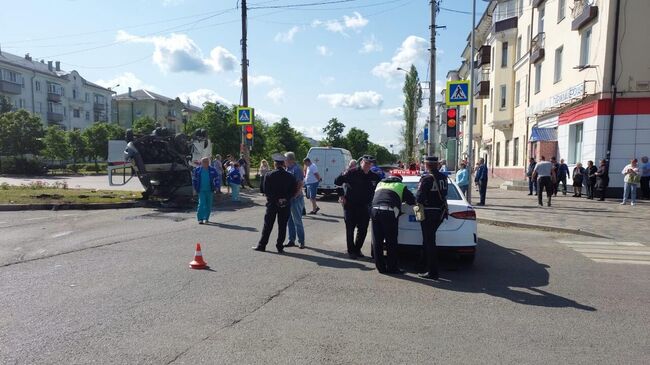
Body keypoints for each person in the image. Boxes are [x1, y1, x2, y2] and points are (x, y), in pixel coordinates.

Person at [334, 156, 381, 259]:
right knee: (350, 229)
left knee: (363, 230)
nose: (367, 165)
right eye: (366, 163)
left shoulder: (374, 176)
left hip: (365, 207)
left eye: (370, 163)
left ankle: (357, 249)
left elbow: (380, 189)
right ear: (361, 162)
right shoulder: (351, 172)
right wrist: (341, 195)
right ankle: (351, 251)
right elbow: (337, 182)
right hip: (350, 206)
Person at [371, 174, 416, 274]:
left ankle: (380, 268)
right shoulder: (400, 186)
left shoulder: (380, 184)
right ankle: (392, 268)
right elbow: (412, 200)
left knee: (377, 241)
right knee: (391, 241)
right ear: (399, 180)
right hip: (388, 212)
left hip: (374, 210)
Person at [253, 154, 296, 253]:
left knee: (267, 225)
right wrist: (284, 199)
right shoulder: (290, 176)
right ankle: (280, 247)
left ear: (275, 164)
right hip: (285, 204)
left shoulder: (269, 175)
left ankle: (262, 245)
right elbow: (293, 191)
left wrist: (276, 199)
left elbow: (265, 191)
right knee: (282, 226)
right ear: (283, 164)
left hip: (272, 204)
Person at [416, 156, 448, 280]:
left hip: (428, 213)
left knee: (429, 243)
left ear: (428, 165)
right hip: (440, 213)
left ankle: (432, 272)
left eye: (424, 164)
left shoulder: (426, 178)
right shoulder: (444, 178)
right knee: (429, 240)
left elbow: (419, 198)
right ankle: (422, 264)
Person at [284, 152, 305, 249]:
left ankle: (301, 241)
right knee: (289, 221)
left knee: (297, 221)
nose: (284, 161)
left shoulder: (297, 169)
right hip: (289, 198)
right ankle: (291, 240)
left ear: (290, 160)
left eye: (285, 159)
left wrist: (295, 195)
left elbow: (300, 183)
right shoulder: (287, 168)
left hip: (296, 198)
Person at [192, 157, 219, 224]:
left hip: (210, 190)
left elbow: (217, 178)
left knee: (208, 205)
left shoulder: (212, 170)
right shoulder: (198, 170)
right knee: (201, 203)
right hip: (201, 190)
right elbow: (194, 180)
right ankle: (200, 219)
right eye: (204, 161)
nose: (206, 163)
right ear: (201, 162)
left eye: (207, 161)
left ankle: (206, 218)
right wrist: (195, 189)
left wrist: (217, 186)